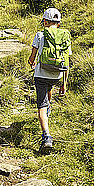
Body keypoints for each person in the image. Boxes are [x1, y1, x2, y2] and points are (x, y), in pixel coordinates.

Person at [28, 8, 71, 153]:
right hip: (57, 75)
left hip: (41, 74)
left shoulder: (40, 35)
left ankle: (46, 137)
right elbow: (67, 62)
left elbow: (32, 56)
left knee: (41, 105)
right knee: (49, 90)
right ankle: (48, 110)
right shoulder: (65, 36)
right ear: (58, 23)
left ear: (45, 21)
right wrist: (64, 84)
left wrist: (31, 62)